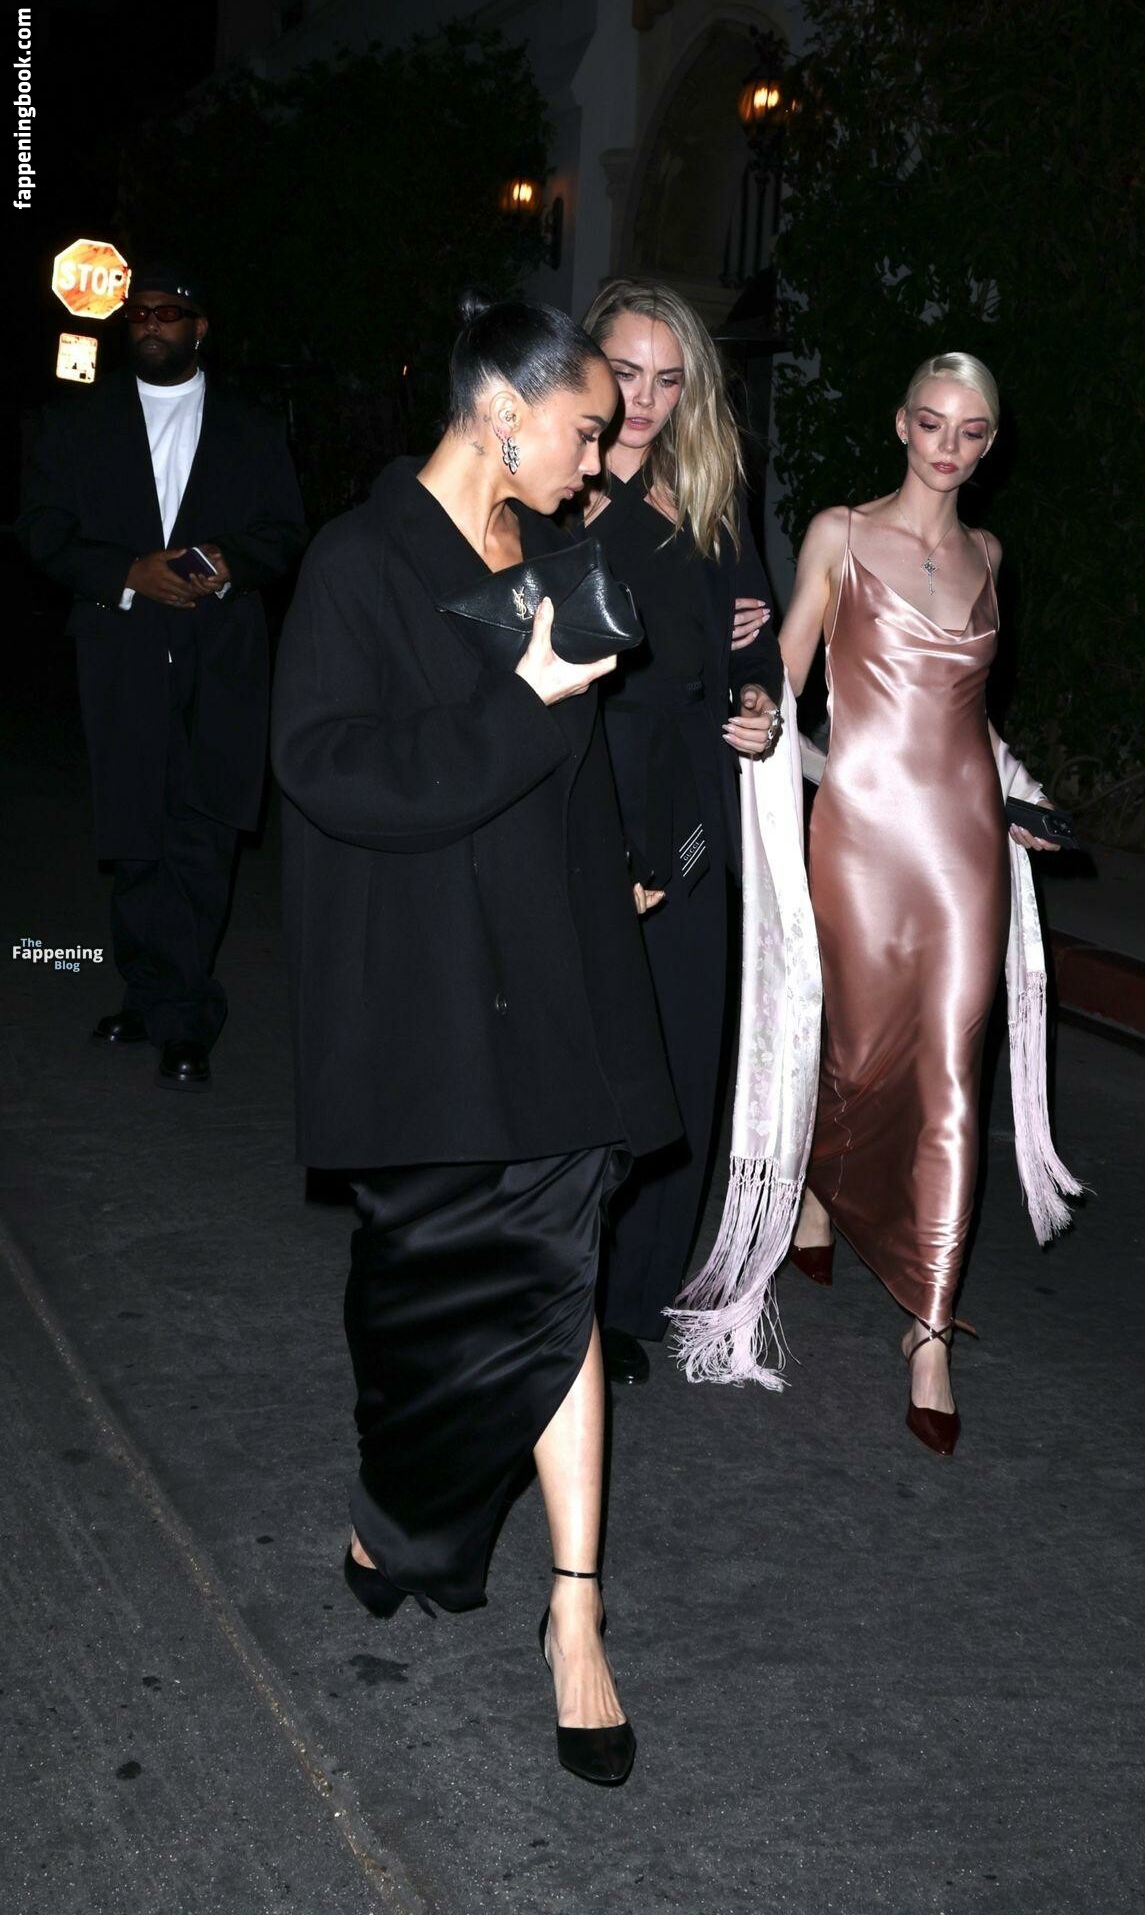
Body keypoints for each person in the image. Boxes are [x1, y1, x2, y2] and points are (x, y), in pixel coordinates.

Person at [270, 295, 679, 1787]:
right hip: (424, 1011)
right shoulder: (358, 564)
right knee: (420, 1308)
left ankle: (576, 1615)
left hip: (552, 993)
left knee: (558, 1282)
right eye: (585, 429)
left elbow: (579, 772)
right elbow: (331, 774)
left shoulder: (552, 556)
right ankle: (398, 1511)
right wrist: (520, 699)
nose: (599, 461)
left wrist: (627, 861)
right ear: (504, 412)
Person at [779, 352, 1074, 1455]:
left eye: (972, 430)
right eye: (932, 423)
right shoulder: (839, 535)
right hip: (858, 839)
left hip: (963, 851)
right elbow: (785, 690)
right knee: (856, 1053)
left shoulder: (990, 557)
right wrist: (813, 765)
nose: (949, 446)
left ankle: (930, 1327)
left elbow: (967, 717)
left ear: (989, 444)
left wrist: (1019, 796)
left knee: (952, 1070)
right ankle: (823, 1182)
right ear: (900, 424)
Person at [17, 264, 306, 1090]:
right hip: (121, 652)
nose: (150, 325)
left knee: (203, 830)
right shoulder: (79, 423)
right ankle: (147, 996)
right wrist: (126, 573)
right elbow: (41, 529)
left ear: (199, 327)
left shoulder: (251, 426)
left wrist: (228, 563)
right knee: (136, 829)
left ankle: (186, 1017)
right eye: (139, 313)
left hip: (223, 658)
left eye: (169, 313)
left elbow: (285, 532)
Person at [571, 278, 784, 1388]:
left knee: (682, 1044)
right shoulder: (555, 479)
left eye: (668, 378)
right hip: (587, 784)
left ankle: (634, 1296)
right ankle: (564, 1291)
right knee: (589, 1047)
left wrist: (756, 698)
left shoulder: (708, 484)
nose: (645, 399)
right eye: (625, 373)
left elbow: (752, 637)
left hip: (691, 797)